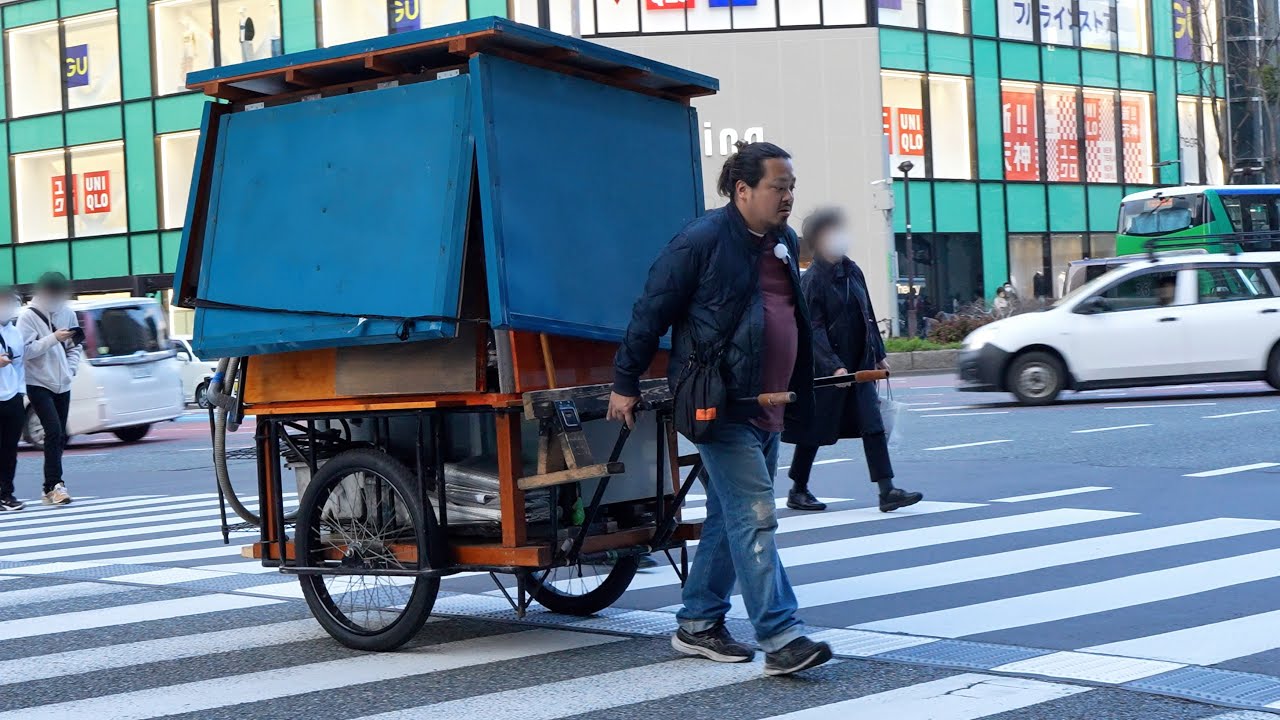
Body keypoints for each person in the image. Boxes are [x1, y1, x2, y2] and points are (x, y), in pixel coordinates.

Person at [607, 142, 832, 676]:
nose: (788, 197)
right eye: (779, 187)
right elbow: (651, 308)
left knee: (728, 516)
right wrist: (625, 380)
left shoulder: (782, 240)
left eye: (791, 187)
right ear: (743, 189)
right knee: (755, 516)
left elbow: (787, 313)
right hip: (718, 403)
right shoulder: (702, 240)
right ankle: (781, 636)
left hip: (770, 403)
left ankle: (698, 622)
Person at [783, 209, 924, 514]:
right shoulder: (813, 280)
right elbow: (812, 329)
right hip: (828, 372)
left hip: (858, 366)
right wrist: (832, 365)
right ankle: (798, 488)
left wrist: (879, 353)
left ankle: (887, 490)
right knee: (815, 431)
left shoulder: (853, 271)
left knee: (872, 425)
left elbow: (867, 315)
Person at [19, 272, 81, 506]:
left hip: (62, 383)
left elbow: (75, 346)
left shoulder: (68, 313)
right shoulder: (28, 317)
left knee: (61, 435)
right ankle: (55, 485)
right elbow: (25, 352)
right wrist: (54, 338)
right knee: (53, 430)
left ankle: (50, 488)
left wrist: (71, 370)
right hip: (38, 382)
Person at [0, 292, 26, 511]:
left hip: (12, 397)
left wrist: (20, 392)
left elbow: (19, 365)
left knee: (10, 449)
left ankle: (7, 494)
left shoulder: (15, 333)